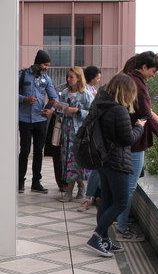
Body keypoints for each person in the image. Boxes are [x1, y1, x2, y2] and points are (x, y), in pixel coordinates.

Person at [117, 51, 158, 242]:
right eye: (153, 71)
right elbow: (146, 117)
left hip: (122, 138)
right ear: (144, 67)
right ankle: (122, 228)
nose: (153, 75)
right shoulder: (138, 85)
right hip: (135, 141)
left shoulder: (126, 80)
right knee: (129, 186)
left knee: (123, 185)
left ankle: (117, 222)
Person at [85, 73, 146, 258]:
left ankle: (104, 239)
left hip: (103, 160)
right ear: (127, 91)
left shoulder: (101, 105)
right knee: (120, 202)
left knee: (107, 201)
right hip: (116, 162)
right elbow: (127, 139)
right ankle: (96, 237)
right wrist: (140, 127)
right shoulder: (119, 111)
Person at [43, 67, 93, 202]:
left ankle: (74, 188)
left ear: (78, 78)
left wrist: (77, 111)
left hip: (79, 133)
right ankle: (75, 187)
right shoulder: (65, 92)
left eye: (71, 77)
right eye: (68, 77)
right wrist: (58, 109)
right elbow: (61, 112)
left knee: (76, 160)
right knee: (67, 160)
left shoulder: (86, 94)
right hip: (66, 131)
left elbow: (93, 113)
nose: (68, 79)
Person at [18, 49, 58, 194]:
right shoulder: (22, 75)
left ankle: (36, 182)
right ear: (38, 63)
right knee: (25, 150)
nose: (47, 68)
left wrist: (50, 109)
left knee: (38, 151)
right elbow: (10, 92)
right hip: (24, 120)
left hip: (40, 119)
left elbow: (54, 97)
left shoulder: (46, 79)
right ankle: (20, 181)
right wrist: (24, 99)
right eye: (45, 65)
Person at [77, 65, 103, 210]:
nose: (99, 80)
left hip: (92, 130)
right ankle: (89, 196)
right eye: (97, 77)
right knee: (95, 166)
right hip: (89, 131)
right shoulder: (86, 91)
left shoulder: (93, 90)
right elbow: (90, 111)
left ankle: (94, 195)